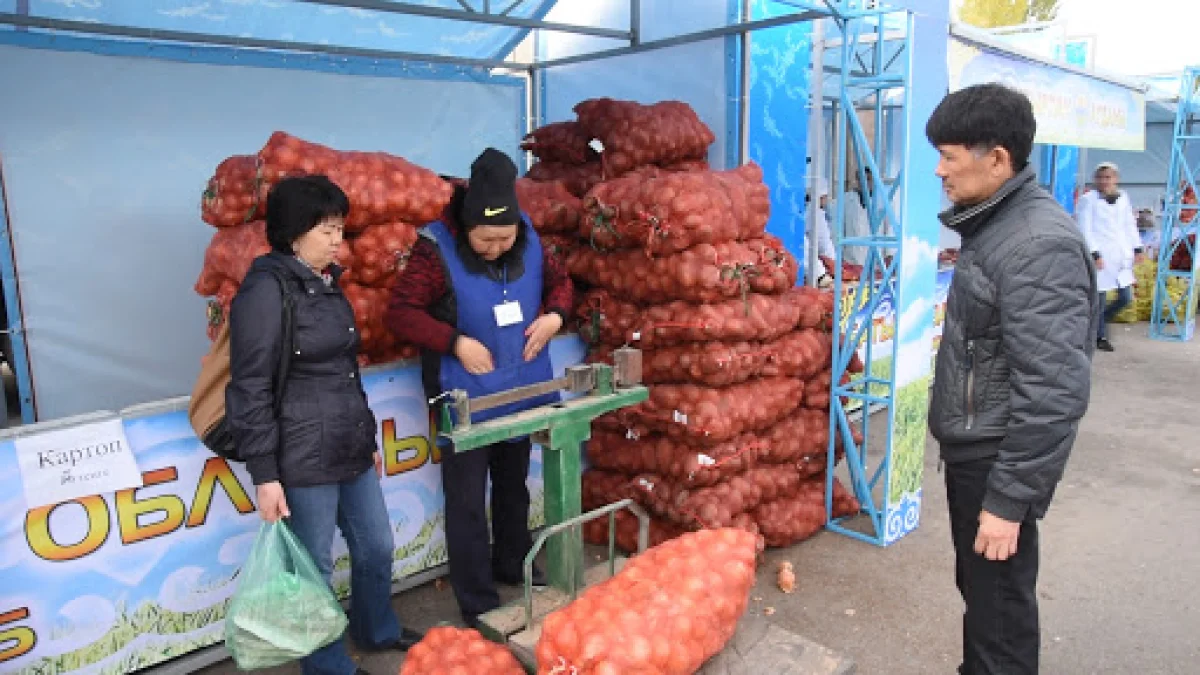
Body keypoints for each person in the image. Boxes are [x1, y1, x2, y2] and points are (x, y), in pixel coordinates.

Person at [925, 84, 1098, 675]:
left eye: (949, 156)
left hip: (996, 460)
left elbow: (1052, 392)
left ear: (997, 158)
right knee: (986, 599)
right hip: (979, 450)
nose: (939, 170)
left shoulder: (1035, 243)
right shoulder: (998, 226)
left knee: (998, 615)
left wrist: (1007, 501)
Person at [226, 175, 421, 675]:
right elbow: (249, 386)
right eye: (329, 230)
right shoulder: (265, 291)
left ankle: (375, 628)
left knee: (376, 543)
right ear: (295, 233)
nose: (339, 240)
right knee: (313, 567)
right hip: (301, 453)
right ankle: (327, 665)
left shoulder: (325, 282)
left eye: (341, 229)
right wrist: (265, 474)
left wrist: (367, 435)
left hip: (347, 444)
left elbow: (344, 370)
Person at [385, 148, 574, 628]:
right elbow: (401, 312)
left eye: (504, 238)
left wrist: (554, 316)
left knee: (513, 485)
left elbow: (561, 283)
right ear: (466, 227)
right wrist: (454, 342)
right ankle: (478, 601)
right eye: (485, 240)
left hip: (521, 386)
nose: (496, 248)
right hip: (462, 392)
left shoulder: (530, 239)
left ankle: (514, 564)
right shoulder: (433, 250)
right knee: (467, 499)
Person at [1076, 162, 1144, 351]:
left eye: (1108, 177)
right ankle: (1100, 336)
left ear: (1116, 179)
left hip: (1120, 254)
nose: (1105, 181)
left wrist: (1137, 248)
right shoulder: (1088, 199)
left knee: (1125, 297)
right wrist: (1094, 253)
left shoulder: (1123, 197)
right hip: (1100, 255)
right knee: (1100, 297)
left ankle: (1099, 321)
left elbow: (1128, 224)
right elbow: (1085, 228)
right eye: (1101, 177)